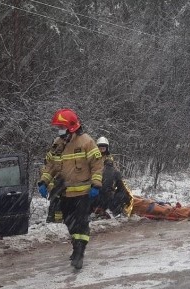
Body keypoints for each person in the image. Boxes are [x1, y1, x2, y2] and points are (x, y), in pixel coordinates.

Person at [38, 109, 103, 270]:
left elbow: (97, 165)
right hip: (65, 193)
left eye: (62, 126)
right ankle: (76, 245)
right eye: (58, 127)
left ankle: (79, 252)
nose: (59, 130)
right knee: (70, 222)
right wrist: (43, 181)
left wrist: (96, 184)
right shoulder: (57, 143)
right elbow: (50, 165)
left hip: (83, 194)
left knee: (81, 224)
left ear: (72, 127)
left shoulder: (86, 142)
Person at [92, 137, 131, 218]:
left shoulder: (110, 160)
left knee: (118, 193)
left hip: (107, 186)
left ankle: (112, 210)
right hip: (95, 184)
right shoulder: (93, 158)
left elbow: (116, 174)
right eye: (100, 147)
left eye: (104, 147)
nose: (102, 149)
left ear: (107, 148)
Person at [40, 135, 66, 224]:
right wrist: (45, 183)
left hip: (67, 183)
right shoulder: (51, 154)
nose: (58, 148)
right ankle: (52, 220)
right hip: (55, 182)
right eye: (56, 146)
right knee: (55, 202)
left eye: (60, 145)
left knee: (63, 202)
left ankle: (60, 220)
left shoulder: (69, 153)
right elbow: (47, 169)